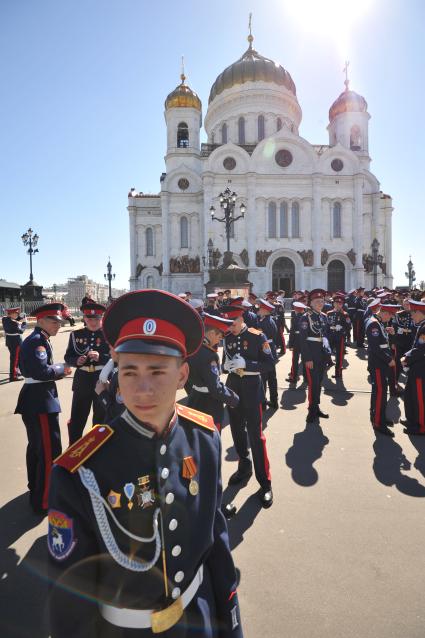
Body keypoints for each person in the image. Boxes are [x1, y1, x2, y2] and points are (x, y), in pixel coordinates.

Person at [47, 289, 243, 637]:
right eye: (130, 371)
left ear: (182, 375)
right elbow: (69, 603)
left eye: (157, 371)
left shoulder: (205, 438)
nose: (142, 390)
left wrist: (231, 624)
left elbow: (217, 547)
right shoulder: (79, 470)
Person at [15, 303, 71, 514]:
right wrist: (61, 369)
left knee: (37, 449)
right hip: (40, 401)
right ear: (40, 321)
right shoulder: (37, 341)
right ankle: (45, 500)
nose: (57, 325)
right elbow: (40, 371)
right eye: (53, 321)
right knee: (49, 452)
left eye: (59, 322)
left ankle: (36, 490)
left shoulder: (40, 339)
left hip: (36, 399)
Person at [221, 305, 274, 507]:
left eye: (233, 323)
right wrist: (225, 367)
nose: (231, 327)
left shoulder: (256, 336)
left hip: (252, 389)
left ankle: (265, 482)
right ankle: (244, 467)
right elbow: (227, 361)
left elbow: (270, 363)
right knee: (236, 432)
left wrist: (248, 365)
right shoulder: (227, 338)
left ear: (241, 318)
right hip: (234, 388)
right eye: (228, 324)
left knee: (256, 435)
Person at [65, 302, 110, 444]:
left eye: (97, 319)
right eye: (89, 319)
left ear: (102, 318)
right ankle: (73, 450)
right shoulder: (76, 334)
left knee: (100, 419)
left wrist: (101, 357)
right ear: (84, 318)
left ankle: (97, 451)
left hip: (101, 380)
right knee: (77, 418)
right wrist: (76, 361)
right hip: (82, 380)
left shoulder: (108, 335)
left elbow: (118, 358)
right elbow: (68, 356)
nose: (93, 322)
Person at [187, 313, 239, 429]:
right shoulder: (210, 355)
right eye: (219, 336)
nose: (219, 341)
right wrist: (233, 398)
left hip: (194, 398)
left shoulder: (192, 348)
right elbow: (215, 388)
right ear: (211, 333)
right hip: (209, 404)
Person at [299, 289, 331, 423]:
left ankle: (316, 407)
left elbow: (325, 336)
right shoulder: (305, 317)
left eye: (322, 301)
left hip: (322, 354)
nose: (320, 303)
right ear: (311, 303)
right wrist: (307, 358)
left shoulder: (324, 316)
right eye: (317, 301)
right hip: (311, 354)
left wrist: (328, 354)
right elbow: (302, 339)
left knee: (319, 383)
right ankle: (311, 411)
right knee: (313, 384)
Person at [365, 301, 396, 436]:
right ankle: (379, 423)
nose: (390, 319)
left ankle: (377, 415)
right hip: (379, 363)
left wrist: (387, 331)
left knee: (377, 391)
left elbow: (380, 342)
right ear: (383, 312)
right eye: (389, 316)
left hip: (379, 363)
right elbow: (376, 347)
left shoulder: (378, 322)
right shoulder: (374, 323)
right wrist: (389, 360)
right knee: (381, 392)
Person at [400, 299, 425, 435]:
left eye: (414, 312)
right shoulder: (421, 325)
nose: (411, 316)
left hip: (421, 368)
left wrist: (406, 359)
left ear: (421, 313)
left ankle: (421, 426)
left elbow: (421, 349)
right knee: (410, 394)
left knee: (419, 398)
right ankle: (412, 419)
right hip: (415, 366)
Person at [257, 298, 279, 409]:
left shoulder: (265, 322)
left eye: (260, 308)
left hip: (265, 351)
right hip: (271, 351)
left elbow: (260, 337)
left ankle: (262, 404)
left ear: (265, 310)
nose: (259, 310)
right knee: (272, 378)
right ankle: (274, 401)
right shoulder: (268, 320)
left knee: (264, 379)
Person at [327, 294, 351, 379]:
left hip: (339, 337)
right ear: (333, 304)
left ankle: (338, 373)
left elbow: (348, 326)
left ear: (342, 304)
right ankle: (327, 364)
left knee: (339, 356)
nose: (338, 305)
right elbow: (326, 325)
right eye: (336, 303)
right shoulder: (329, 313)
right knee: (326, 353)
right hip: (330, 336)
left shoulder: (345, 314)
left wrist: (342, 329)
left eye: (340, 303)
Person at [2, 306, 26, 381]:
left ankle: (16, 372)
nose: (17, 315)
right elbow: (21, 330)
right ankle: (13, 376)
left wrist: (20, 317)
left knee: (15, 358)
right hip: (16, 342)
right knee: (15, 359)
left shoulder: (5, 319)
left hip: (10, 341)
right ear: (11, 314)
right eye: (16, 313)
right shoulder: (14, 323)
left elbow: (14, 319)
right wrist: (24, 323)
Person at [286, 300, 307, 386]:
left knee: (295, 360)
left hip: (296, 341)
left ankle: (294, 377)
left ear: (297, 309)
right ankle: (306, 378)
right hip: (304, 341)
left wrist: (290, 344)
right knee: (305, 359)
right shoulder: (307, 316)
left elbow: (292, 331)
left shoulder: (296, 317)